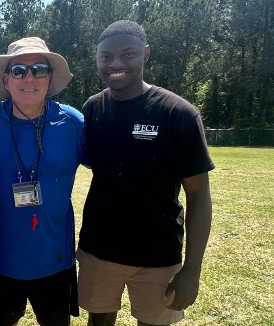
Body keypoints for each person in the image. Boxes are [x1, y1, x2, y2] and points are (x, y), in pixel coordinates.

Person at [77, 20, 214, 326]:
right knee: (98, 321)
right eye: (106, 57)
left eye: (128, 54)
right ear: (97, 60)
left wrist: (192, 269)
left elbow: (199, 195)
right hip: (99, 250)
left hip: (158, 256)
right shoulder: (92, 109)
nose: (116, 64)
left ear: (146, 54)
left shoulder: (177, 113)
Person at [0, 37, 85, 326]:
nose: (29, 77)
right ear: (7, 80)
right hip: (2, 260)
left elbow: (113, 170)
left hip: (56, 260)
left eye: (40, 70)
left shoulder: (73, 122)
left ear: (50, 78)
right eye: (19, 70)